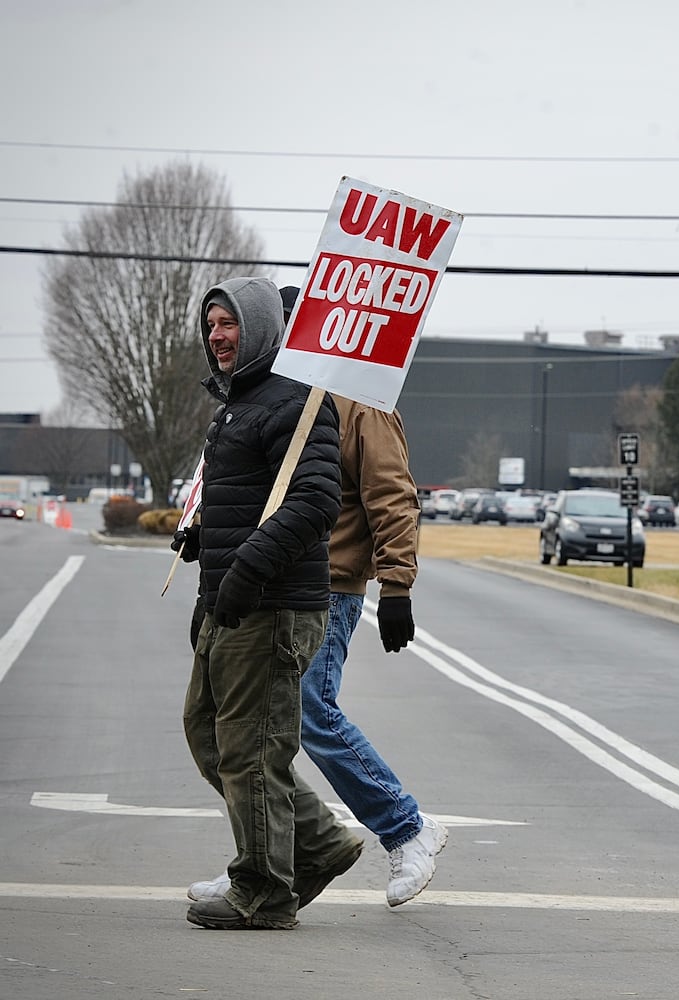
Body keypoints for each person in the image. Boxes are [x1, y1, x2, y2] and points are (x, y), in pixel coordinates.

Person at [186, 285, 446, 911]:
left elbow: (391, 494)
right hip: (270, 582)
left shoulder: (361, 400)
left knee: (303, 713)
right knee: (246, 728)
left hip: (326, 581)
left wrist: (397, 587)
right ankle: (277, 854)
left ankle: (405, 827)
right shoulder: (273, 393)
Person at [174, 276, 362, 930]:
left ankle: (262, 892)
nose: (217, 336)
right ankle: (315, 845)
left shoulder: (295, 403)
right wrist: (205, 540)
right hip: (229, 599)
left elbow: (313, 504)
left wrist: (245, 571)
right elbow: (255, 499)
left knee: (252, 750)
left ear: (258, 328)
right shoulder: (238, 403)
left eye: (228, 323)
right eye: (211, 325)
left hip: (273, 605)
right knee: (206, 733)